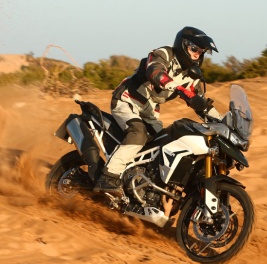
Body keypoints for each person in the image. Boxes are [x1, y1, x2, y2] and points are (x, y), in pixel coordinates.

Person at [93, 26, 222, 192]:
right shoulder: (164, 54)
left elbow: (202, 104)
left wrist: (222, 122)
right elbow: (154, 72)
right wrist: (180, 89)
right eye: (194, 48)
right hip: (127, 101)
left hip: (149, 113)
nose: (198, 54)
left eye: (202, 51)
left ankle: (141, 186)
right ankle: (109, 176)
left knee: (165, 144)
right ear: (183, 44)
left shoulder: (191, 76)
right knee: (138, 133)